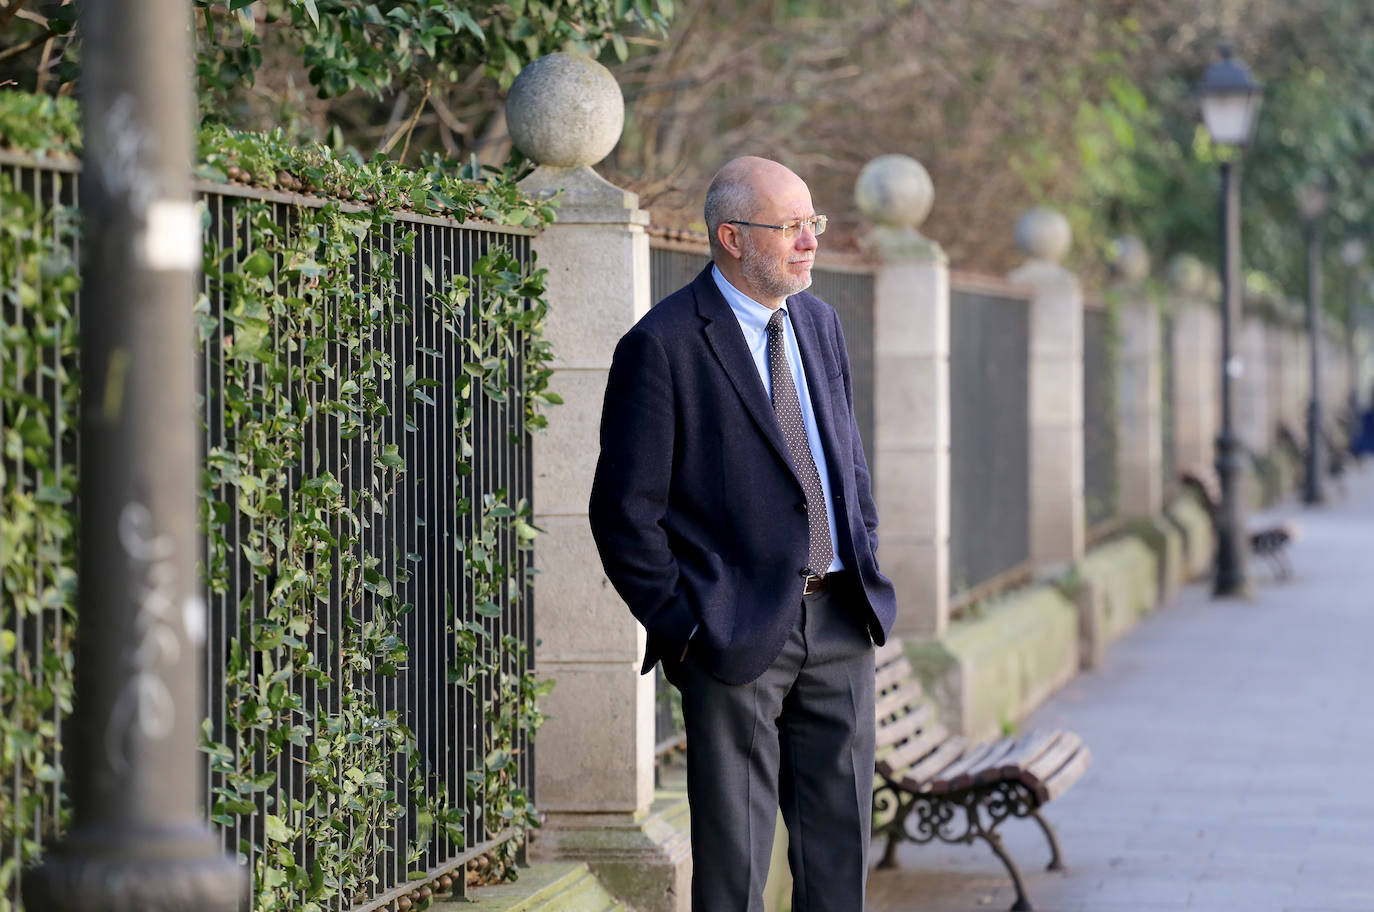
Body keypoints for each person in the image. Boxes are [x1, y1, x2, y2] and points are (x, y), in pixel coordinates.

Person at [589, 156, 898, 912]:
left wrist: (861, 545)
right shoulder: (661, 346)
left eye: (812, 223)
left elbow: (843, 461)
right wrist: (687, 628)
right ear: (732, 236)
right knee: (733, 870)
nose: (809, 241)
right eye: (789, 227)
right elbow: (624, 513)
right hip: (732, 636)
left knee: (838, 858)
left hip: (839, 621)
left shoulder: (818, 323)